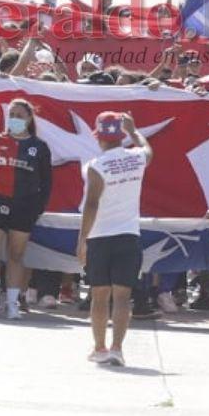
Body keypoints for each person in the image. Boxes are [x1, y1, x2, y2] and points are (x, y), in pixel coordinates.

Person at [77, 112, 153, 367]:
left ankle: (100, 347)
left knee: (99, 295)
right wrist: (134, 131)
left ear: (98, 136)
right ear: (121, 135)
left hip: (100, 236)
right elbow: (148, 149)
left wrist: (82, 240)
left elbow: (91, 204)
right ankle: (117, 349)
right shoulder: (137, 158)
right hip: (128, 235)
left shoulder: (95, 166)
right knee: (122, 297)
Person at [0, 99, 53, 320]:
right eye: (11, 115)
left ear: (29, 118)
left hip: (24, 206)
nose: (14, 119)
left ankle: (13, 302)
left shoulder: (39, 147)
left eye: (19, 116)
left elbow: (46, 183)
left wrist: (38, 208)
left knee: (16, 255)